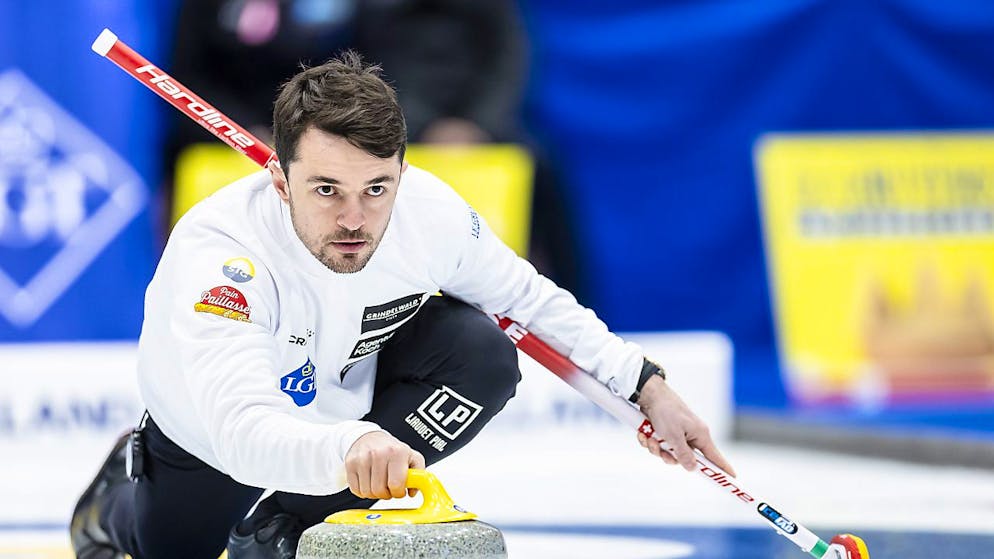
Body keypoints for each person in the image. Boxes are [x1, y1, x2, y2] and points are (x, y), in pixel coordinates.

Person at [70, 52, 734, 559]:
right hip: (215, 435)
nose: (354, 219)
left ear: (403, 172)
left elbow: (529, 300)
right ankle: (111, 498)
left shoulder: (428, 212)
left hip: (347, 393)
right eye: (326, 188)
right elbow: (245, 431)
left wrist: (646, 385)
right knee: (166, 548)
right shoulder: (221, 257)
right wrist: (354, 442)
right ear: (278, 177)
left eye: (376, 187)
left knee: (482, 352)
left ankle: (284, 529)